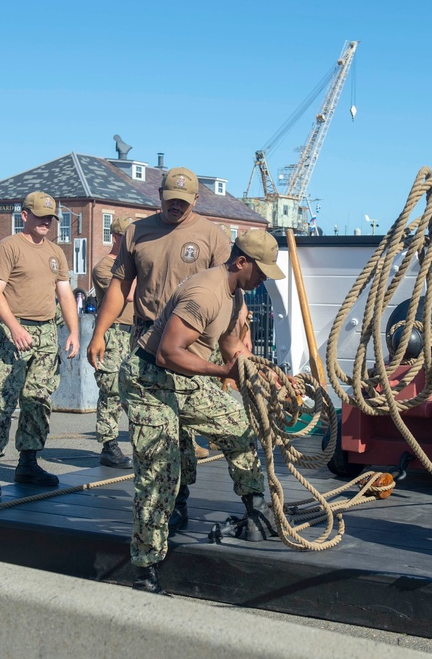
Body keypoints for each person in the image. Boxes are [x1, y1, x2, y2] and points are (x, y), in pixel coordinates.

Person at [87, 167, 264, 537]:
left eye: (183, 203)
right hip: (150, 344)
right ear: (160, 196)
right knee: (168, 443)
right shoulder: (138, 232)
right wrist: (99, 332)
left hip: (196, 347)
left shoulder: (212, 236)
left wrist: (241, 355)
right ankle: (175, 505)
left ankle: (254, 506)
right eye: (170, 201)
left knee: (219, 426)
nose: (176, 208)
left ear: (196, 200)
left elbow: (234, 293)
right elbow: (119, 288)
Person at [121, 228, 285, 593]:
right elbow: (168, 352)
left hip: (185, 378)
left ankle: (255, 508)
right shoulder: (205, 291)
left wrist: (259, 377)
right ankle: (145, 571)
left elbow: (231, 350)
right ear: (240, 261)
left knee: (239, 427)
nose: (262, 280)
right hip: (150, 379)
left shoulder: (236, 297)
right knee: (160, 473)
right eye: (259, 271)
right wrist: (221, 373)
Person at [0, 191, 80, 498]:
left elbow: (64, 294)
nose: (46, 222)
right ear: (25, 216)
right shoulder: (9, 247)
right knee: (4, 402)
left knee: (37, 402)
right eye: (40, 216)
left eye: (50, 218)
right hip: (14, 334)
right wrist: (14, 327)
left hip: (47, 334)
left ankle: (28, 463)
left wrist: (73, 332)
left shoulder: (56, 252)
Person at [90, 215, 136, 469]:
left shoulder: (132, 266)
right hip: (114, 332)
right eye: (128, 237)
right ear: (116, 237)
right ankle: (109, 445)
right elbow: (128, 295)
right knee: (111, 390)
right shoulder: (104, 267)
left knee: (136, 389)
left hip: (135, 331)